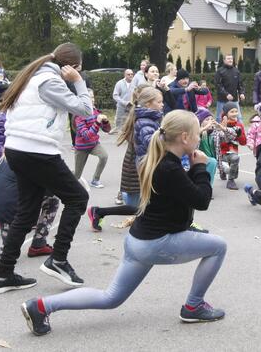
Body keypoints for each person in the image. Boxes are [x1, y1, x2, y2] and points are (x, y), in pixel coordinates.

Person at [20, 110, 227, 336]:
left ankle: (41, 306)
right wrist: (201, 168)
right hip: (156, 243)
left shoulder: (161, 160)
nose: (200, 139)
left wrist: (193, 168)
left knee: (110, 297)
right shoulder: (169, 167)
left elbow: (184, 193)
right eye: (198, 134)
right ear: (185, 137)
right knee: (218, 246)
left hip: (138, 241)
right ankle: (193, 306)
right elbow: (202, 200)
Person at [0, 42, 93, 295]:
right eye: (77, 70)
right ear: (71, 67)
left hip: (17, 150)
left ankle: (3, 275)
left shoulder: (31, 77)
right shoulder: (50, 81)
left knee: (26, 213)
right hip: (38, 151)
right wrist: (78, 82)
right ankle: (58, 260)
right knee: (78, 198)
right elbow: (85, 110)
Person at [87, 86, 163, 231]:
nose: (162, 104)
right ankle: (99, 212)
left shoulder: (144, 116)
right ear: (147, 103)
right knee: (138, 207)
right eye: (159, 101)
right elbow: (148, 143)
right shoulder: (142, 120)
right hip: (136, 166)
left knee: (147, 205)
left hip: (139, 164)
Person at [73, 89, 111, 188]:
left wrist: (106, 122)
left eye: (93, 97)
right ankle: (65, 179)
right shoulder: (79, 116)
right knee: (77, 174)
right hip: (81, 147)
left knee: (104, 156)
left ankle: (95, 180)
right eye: (89, 98)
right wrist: (97, 122)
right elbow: (87, 136)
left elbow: (107, 130)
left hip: (94, 144)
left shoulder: (96, 112)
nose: (92, 100)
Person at [218, 102, 246, 190]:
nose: (234, 114)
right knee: (227, 166)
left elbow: (243, 142)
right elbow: (218, 140)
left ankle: (231, 178)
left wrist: (239, 134)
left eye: (236, 111)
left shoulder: (239, 125)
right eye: (232, 112)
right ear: (226, 113)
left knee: (235, 159)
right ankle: (225, 173)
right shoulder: (220, 124)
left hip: (233, 151)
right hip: (221, 152)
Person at [214, 54, 245, 121]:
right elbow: (218, 85)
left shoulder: (236, 71)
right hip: (222, 100)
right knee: (219, 118)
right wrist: (226, 94)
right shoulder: (220, 71)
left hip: (234, 99)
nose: (230, 60)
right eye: (228, 59)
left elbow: (240, 84)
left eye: (231, 58)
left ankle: (241, 131)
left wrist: (241, 93)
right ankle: (218, 131)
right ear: (224, 60)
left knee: (239, 118)